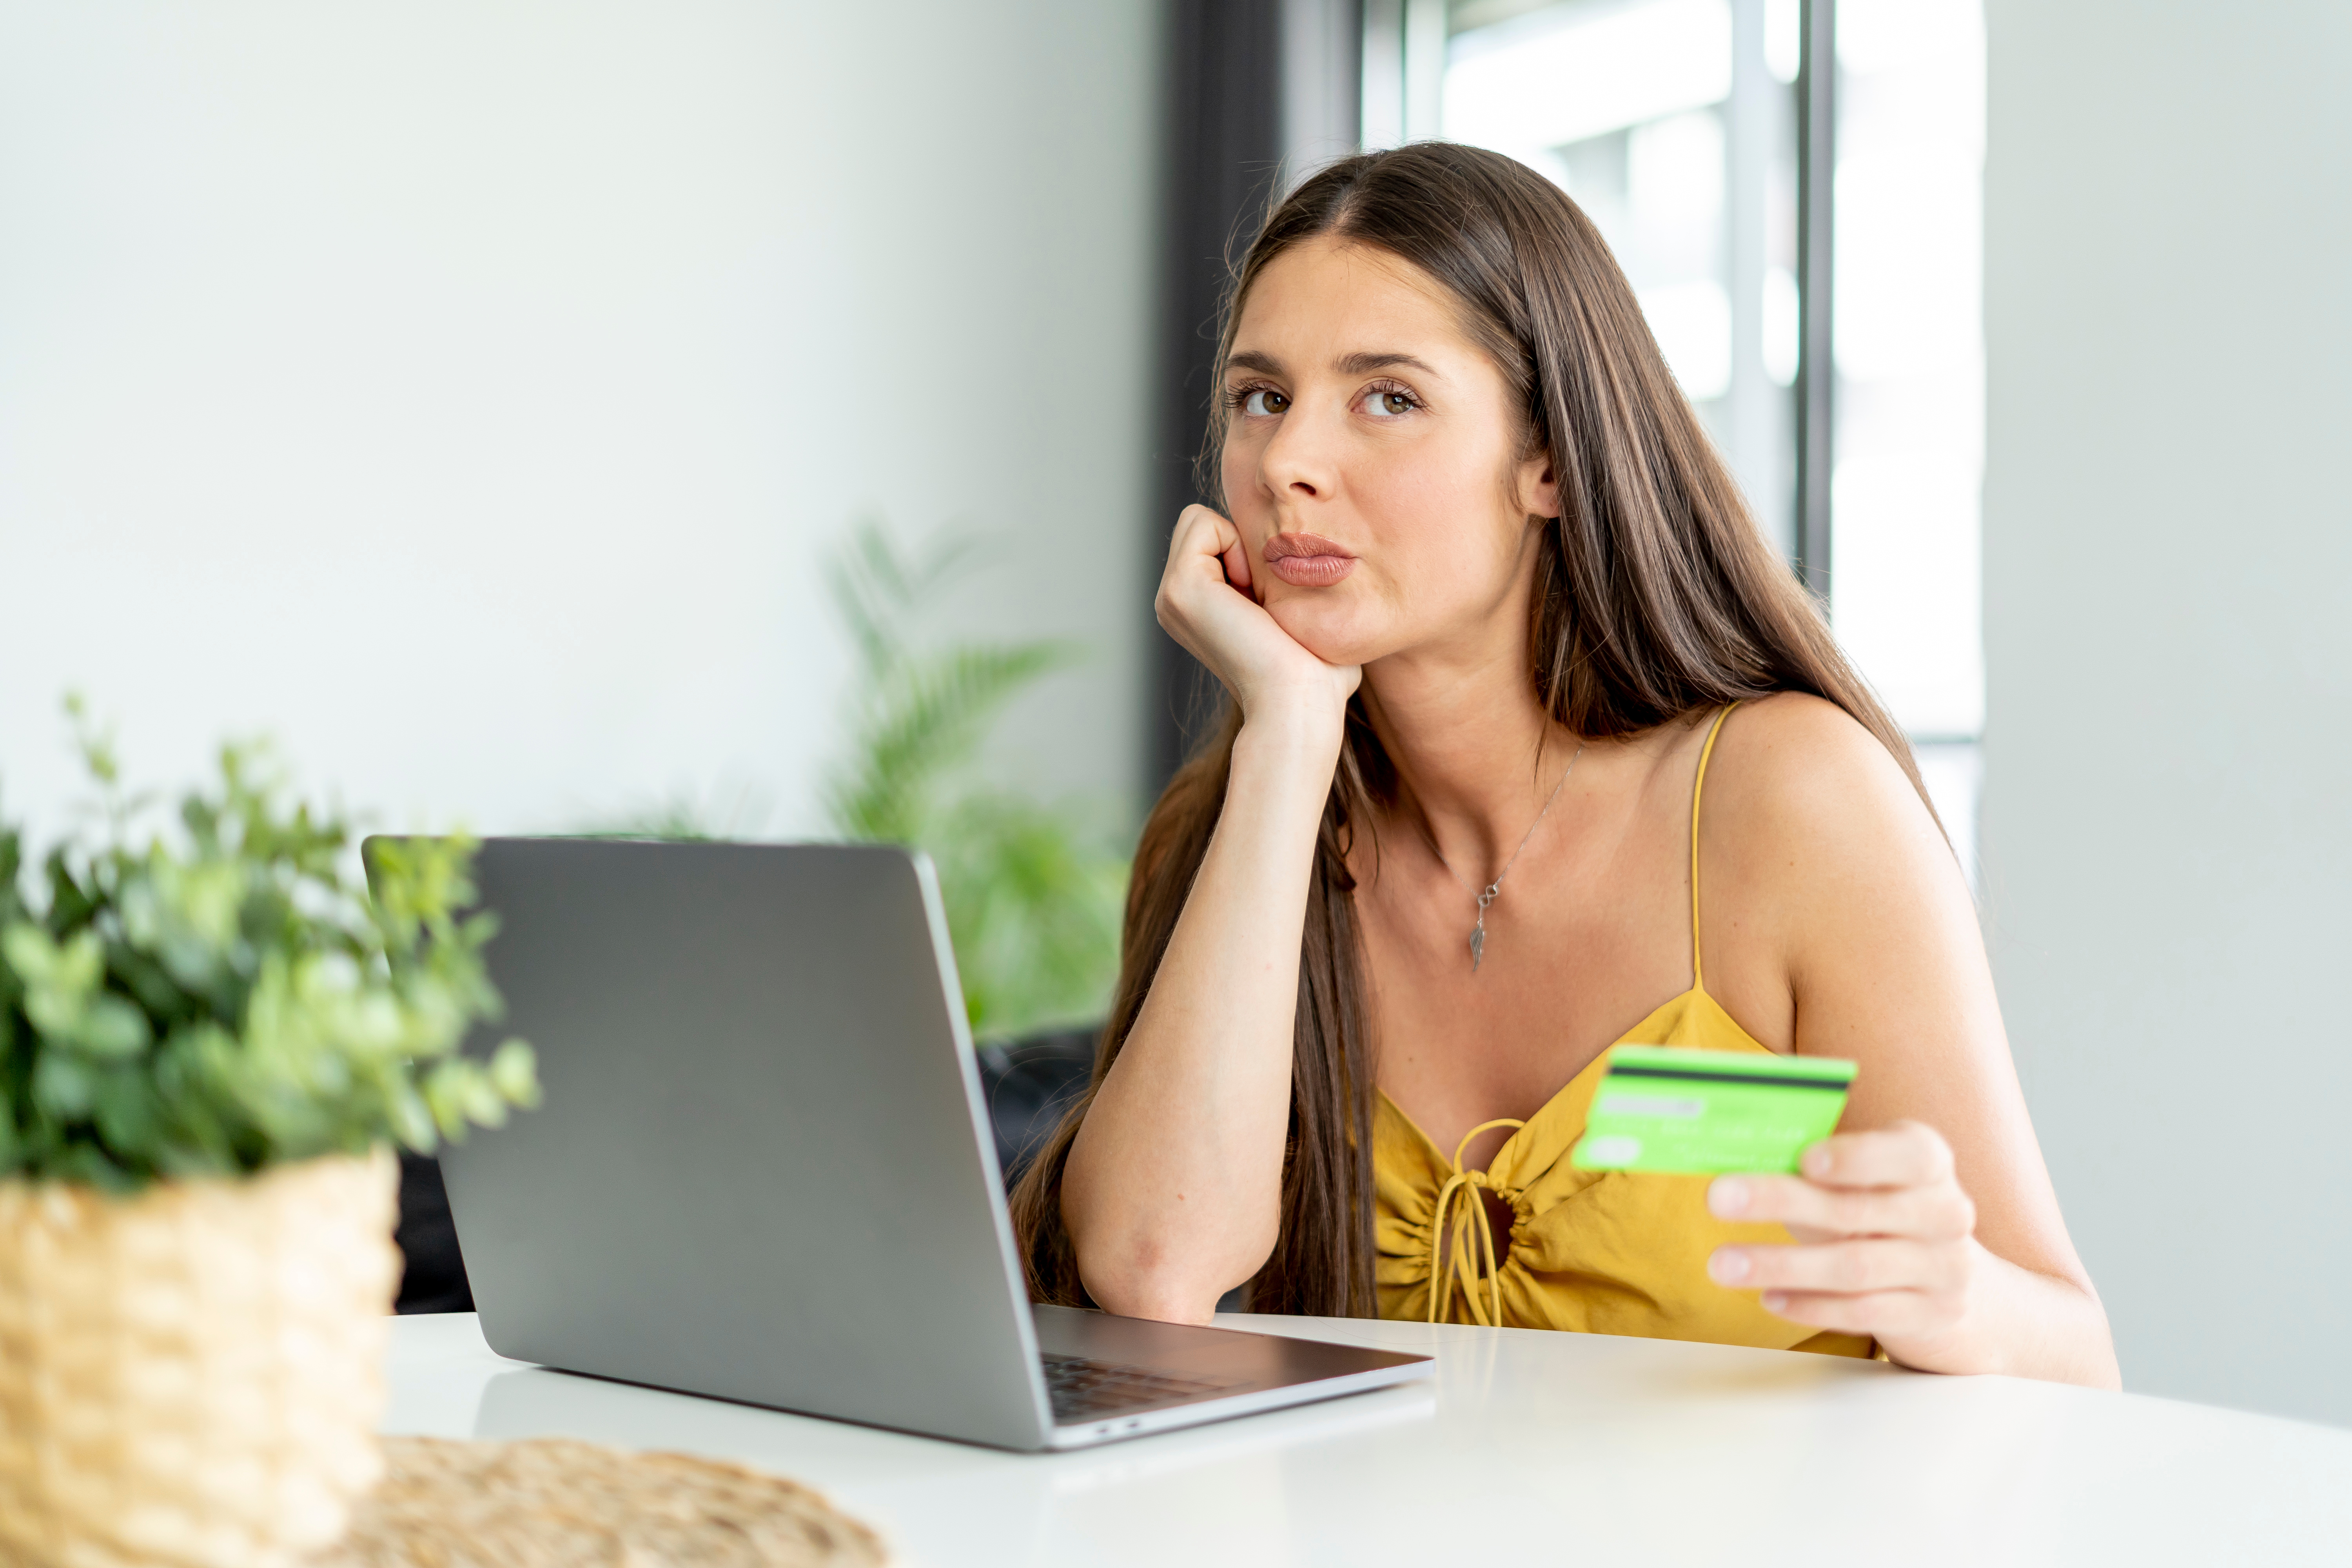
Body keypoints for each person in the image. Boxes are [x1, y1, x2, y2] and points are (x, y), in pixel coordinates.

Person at [1010, 143, 2118, 1386]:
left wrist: (1947, 1293)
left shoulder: (1795, 802)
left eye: (1386, 398)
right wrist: (1287, 736)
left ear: (1547, 460)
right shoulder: (1242, 830)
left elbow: (2079, 1362)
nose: (1286, 465)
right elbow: (1153, 1272)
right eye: (1261, 398)